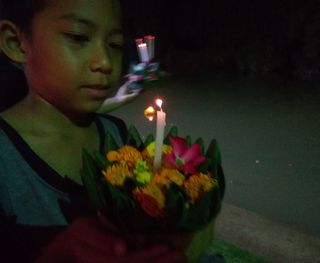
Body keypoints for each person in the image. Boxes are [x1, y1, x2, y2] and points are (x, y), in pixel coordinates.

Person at [0, 0, 197, 262]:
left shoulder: (117, 136)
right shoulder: (6, 160)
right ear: (16, 43)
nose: (105, 62)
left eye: (114, 44)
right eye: (78, 37)